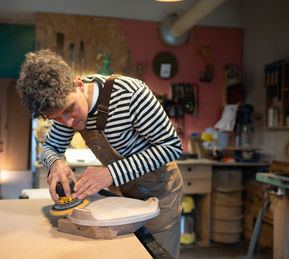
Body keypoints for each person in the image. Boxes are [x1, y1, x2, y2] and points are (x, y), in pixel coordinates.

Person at [17, 49, 183, 258]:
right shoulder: (63, 108)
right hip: (125, 194)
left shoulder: (132, 94)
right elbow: (49, 149)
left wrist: (111, 173)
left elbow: (172, 146)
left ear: (78, 84)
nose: (68, 123)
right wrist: (55, 163)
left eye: (70, 109)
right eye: (57, 118)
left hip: (160, 193)